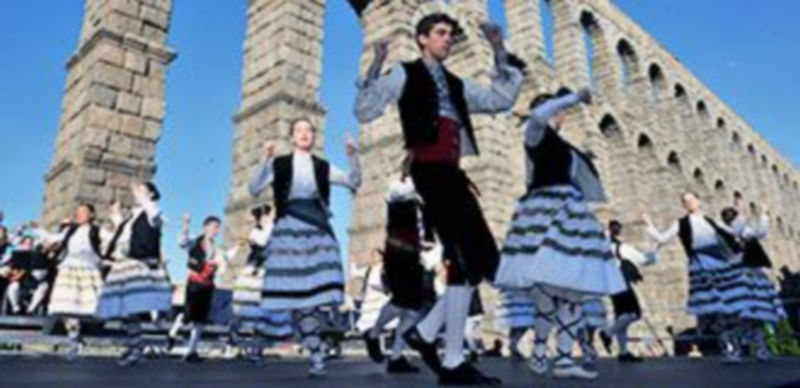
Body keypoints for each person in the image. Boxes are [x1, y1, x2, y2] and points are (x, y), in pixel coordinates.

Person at [354, 12, 524, 386]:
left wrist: (498, 49)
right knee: (465, 255)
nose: (448, 39)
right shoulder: (404, 73)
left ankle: (427, 333)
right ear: (421, 39)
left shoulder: (456, 83)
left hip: (453, 174)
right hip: (430, 173)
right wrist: (377, 63)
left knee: (479, 260)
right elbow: (364, 110)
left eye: (450, 34)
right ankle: (451, 360)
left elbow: (500, 99)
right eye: (441, 33)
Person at [493, 88, 626, 380]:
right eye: (562, 111)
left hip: (570, 210)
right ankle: (541, 350)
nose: (565, 115)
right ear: (556, 110)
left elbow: (572, 166)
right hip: (547, 209)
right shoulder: (535, 133)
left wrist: (582, 157)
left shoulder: (563, 145)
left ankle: (564, 359)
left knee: (572, 289)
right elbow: (538, 115)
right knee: (549, 288)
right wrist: (574, 97)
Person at [248, 118, 361, 377]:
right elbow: (254, 188)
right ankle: (263, 345)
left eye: (308, 130)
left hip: (316, 230)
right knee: (288, 295)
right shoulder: (279, 164)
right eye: (298, 130)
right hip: (289, 231)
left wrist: (353, 156)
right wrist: (264, 159)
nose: (304, 134)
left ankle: (316, 354)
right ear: (291, 137)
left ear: (313, 136)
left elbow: (354, 181)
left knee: (310, 301)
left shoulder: (322, 166)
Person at [643, 192, 762, 363]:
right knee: (715, 307)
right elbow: (663, 237)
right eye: (685, 201)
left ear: (699, 201)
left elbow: (732, 233)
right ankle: (727, 346)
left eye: (691, 200)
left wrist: (739, 210)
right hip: (700, 266)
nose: (689, 203)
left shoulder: (710, 221)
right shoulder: (681, 223)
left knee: (727, 307)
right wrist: (648, 224)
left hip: (720, 265)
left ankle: (735, 345)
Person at [95, 182, 172, 366]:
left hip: (140, 266)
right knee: (126, 311)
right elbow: (123, 235)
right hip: (125, 267)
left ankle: (137, 348)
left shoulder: (153, 214)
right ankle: (134, 345)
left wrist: (142, 195)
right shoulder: (131, 219)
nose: (136, 192)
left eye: (143, 189)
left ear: (152, 194)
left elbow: (152, 211)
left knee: (132, 309)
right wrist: (115, 214)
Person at [365, 174, 434, 373]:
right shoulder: (399, 190)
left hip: (414, 255)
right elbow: (397, 192)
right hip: (398, 253)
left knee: (413, 309)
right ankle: (374, 333)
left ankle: (396, 358)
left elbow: (424, 230)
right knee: (401, 301)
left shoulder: (422, 203)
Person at [32, 203, 114, 360]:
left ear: (91, 214)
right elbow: (54, 238)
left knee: (90, 306)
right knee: (67, 306)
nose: (79, 214)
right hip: (70, 269)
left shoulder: (97, 230)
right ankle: (74, 340)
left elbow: (113, 240)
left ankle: (85, 335)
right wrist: (39, 230)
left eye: (83, 212)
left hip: (88, 269)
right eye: (78, 212)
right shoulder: (71, 230)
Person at [720, 199, 785, 361]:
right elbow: (744, 231)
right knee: (741, 317)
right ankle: (735, 351)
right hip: (740, 277)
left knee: (753, 316)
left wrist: (761, 214)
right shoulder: (727, 232)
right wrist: (747, 213)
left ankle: (757, 350)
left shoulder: (739, 231)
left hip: (747, 276)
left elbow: (756, 233)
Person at [168, 214, 238, 362]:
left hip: (208, 285)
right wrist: (186, 225)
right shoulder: (196, 241)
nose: (216, 230)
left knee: (200, 319)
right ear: (206, 227)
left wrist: (236, 248)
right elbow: (182, 242)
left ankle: (191, 351)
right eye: (214, 227)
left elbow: (224, 259)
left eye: (218, 227)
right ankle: (172, 334)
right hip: (195, 283)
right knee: (188, 315)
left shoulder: (216, 247)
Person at [597, 220, 658, 363]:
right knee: (634, 313)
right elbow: (642, 259)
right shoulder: (621, 248)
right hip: (621, 283)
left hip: (610, 284)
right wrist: (655, 251)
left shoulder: (601, 247)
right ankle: (607, 333)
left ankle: (623, 352)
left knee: (621, 316)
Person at [230, 204, 274, 363]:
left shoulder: (272, 232)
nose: (269, 219)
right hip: (253, 272)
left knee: (263, 313)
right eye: (266, 216)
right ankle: (234, 332)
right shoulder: (256, 231)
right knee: (249, 309)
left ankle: (257, 350)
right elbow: (262, 242)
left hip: (265, 274)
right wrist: (270, 224)